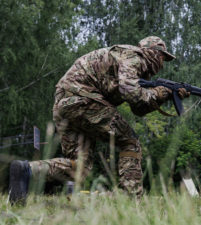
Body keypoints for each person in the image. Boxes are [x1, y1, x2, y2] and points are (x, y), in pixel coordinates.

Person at [9, 36, 190, 204]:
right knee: (130, 141)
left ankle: (27, 170)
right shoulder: (135, 57)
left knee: (80, 168)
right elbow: (130, 92)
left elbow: (138, 108)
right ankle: (131, 197)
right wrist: (157, 93)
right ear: (152, 52)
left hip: (65, 103)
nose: (162, 64)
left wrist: (163, 96)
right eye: (161, 57)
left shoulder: (129, 61)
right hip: (83, 98)